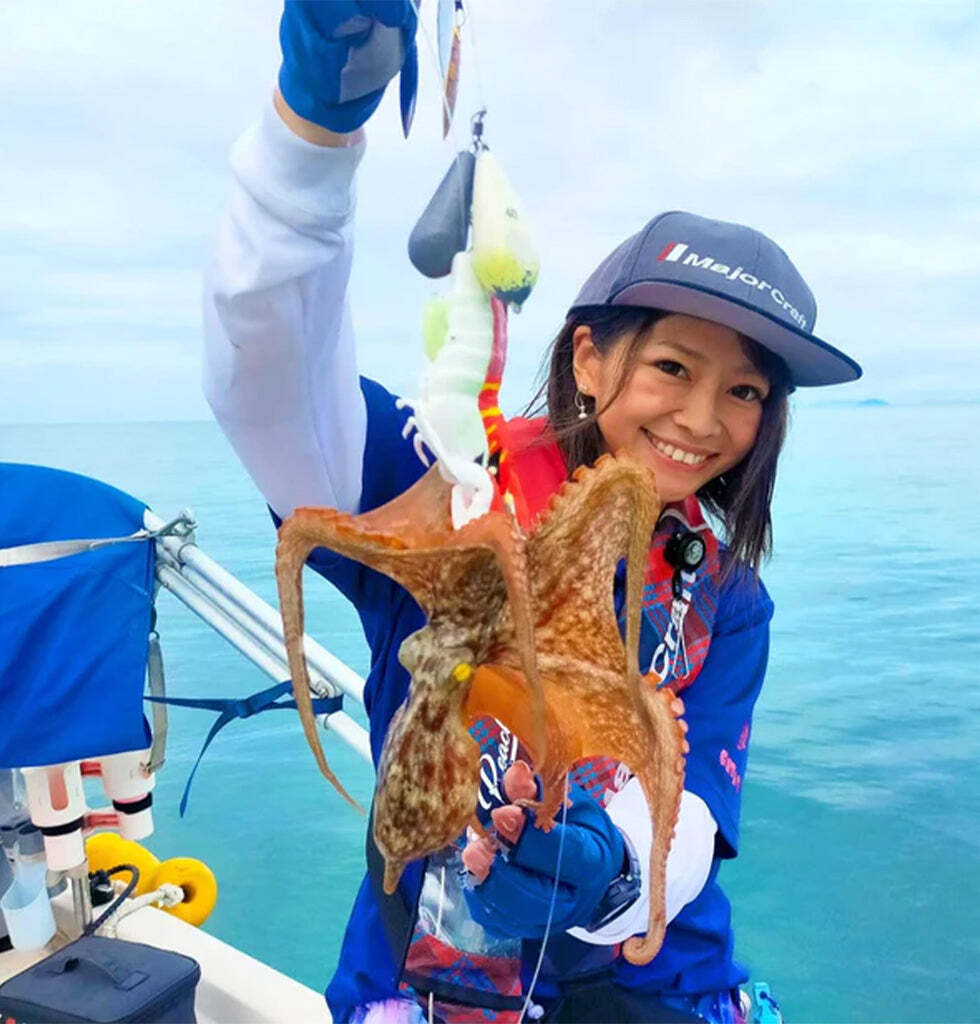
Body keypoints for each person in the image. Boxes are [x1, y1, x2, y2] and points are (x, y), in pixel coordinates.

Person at [203, 5, 861, 1022]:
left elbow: (687, 816)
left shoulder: (726, 601)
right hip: (427, 979)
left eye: (744, 391)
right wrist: (311, 137)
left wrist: (606, 869)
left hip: (657, 987)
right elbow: (270, 384)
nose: (702, 419)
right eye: (672, 366)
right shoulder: (447, 493)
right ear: (588, 358)